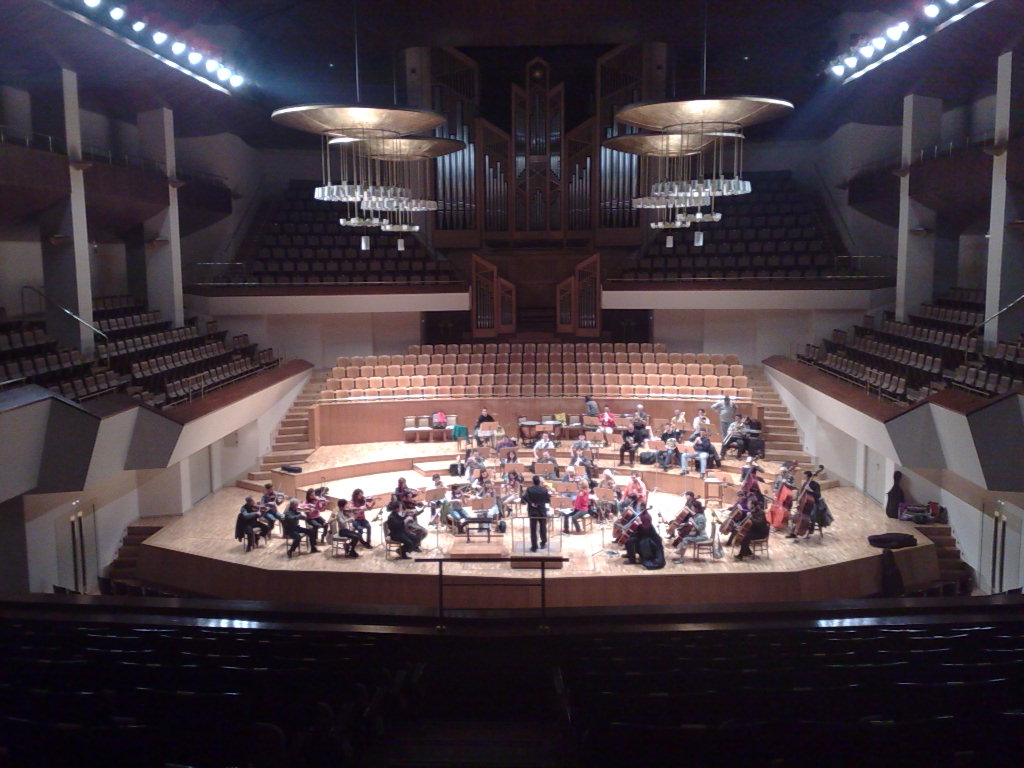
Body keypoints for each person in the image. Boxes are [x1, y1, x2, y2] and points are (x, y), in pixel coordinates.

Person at [672, 495, 709, 562]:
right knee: (683, 536)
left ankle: (681, 558)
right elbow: (691, 524)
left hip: (702, 536)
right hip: (696, 534)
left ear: (696, 508)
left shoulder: (701, 517)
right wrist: (684, 524)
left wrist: (693, 522)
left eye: (692, 507)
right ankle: (680, 553)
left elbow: (699, 529)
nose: (691, 508)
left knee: (685, 539)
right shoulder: (696, 515)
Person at [522, 475, 551, 552]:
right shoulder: (544, 490)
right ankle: (543, 543)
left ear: (533, 482)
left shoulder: (529, 489)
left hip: (533, 512)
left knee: (533, 529)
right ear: (539, 482)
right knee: (543, 528)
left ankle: (534, 547)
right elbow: (548, 500)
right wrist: (540, 502)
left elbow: (524, 497)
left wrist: (531, 503)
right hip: (542, 511)